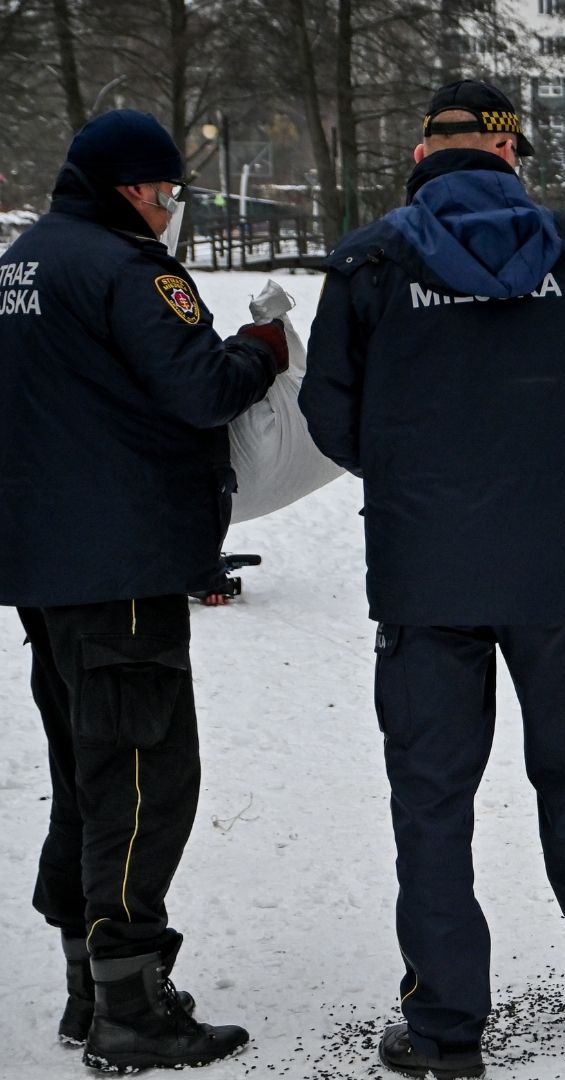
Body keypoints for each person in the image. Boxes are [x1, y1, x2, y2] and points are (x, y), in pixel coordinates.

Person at [300, 79, 565, 1079]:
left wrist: (422, 464)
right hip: (558, 574)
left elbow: (328, 417)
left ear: (424, 156)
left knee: (432, 801)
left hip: (426, 577)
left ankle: (446, 1029)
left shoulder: (373, 262)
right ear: (513, 155)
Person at [0, 110, 288, 1070]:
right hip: (120, 564)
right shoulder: (130, 271)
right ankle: (131, 1006)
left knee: (86, 772)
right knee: (142, 778)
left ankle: (90, 988)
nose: (170, 210)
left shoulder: (24, 261)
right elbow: (201, 386)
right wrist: (260, 351)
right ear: (134, 189)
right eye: (167, 192)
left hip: (43, 564)